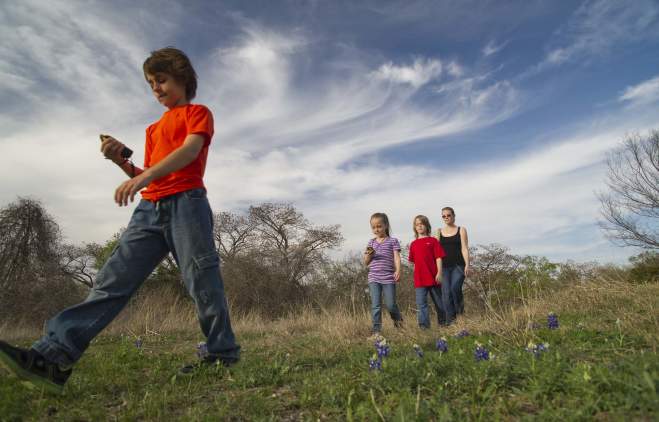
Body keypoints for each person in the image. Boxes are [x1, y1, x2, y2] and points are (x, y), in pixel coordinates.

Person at [0, 47, 240, 393]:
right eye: (151, 83)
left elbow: (188, 152)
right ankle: (52, 358)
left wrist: (141, 178)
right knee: (111, 281)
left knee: (201, 282)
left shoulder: (198, 113)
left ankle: (222, 354)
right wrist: (122, 164)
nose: (156, 88)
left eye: (162, 80)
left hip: (187, 204)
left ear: (183, 79)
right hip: (149, 210)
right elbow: (151, 175)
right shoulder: (153, 129)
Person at [408, 215, 453, 328]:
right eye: (417, 224)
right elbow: (413, 262)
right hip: (419, 280)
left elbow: (439, 257)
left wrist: (439, 273)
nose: (419, 226)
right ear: (415, 227)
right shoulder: (413, 244)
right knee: (421, 304)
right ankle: (424, 327)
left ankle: (443, 324)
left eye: (422, 224)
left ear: (426, 226)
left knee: (439, 303)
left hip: (434, 278)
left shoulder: (433, 241)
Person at [363, 212, 404, 334]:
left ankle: (399, 324)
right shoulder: (371, 242)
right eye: (373, 227)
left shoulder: (392, 241)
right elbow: (366, 261)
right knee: (376, 306)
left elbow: (396, 257)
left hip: (388, 277)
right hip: (374, 278)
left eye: (379, 226)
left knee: (391, 305)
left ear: (386, 225)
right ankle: (376, 331)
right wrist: (370, 255)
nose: (376, 229)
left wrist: (398, 270)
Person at [437, 207, 471, 315]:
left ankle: (460, 314)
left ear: (453, 216)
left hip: (458, 266)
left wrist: (467, 265)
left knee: (455, 288)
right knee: (446, 293)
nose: (446, 217)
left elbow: (464, 248)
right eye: (444, 216)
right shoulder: (438, 232)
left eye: (448, 215)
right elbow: (437, 253)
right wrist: (437, 269)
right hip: (444, 267)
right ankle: (451, 321)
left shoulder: (461, 229)